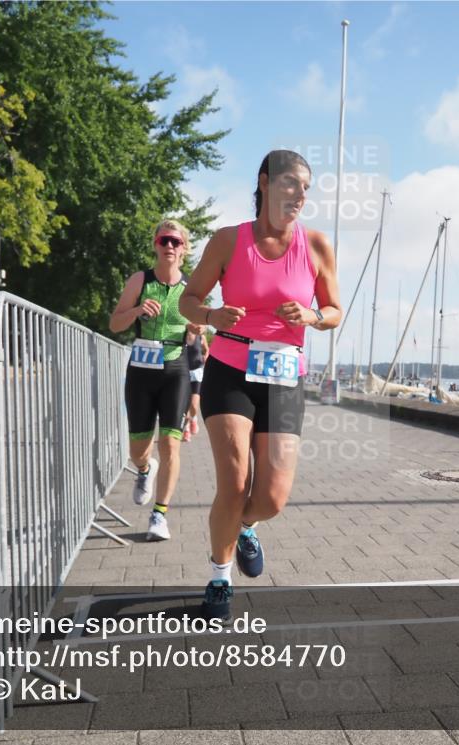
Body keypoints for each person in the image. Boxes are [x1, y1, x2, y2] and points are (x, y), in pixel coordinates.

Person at [180, 150, 341, 619]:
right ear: (265, 183)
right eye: (291, 183)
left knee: (271, 497)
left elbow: (335, 311)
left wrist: (312, 316)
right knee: (234, 484)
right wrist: (211, 315)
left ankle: (245, 526)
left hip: (283, 376)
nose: (300, 195)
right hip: (229, 369)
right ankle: (219, 577)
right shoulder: (228, 240)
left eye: (306, 188)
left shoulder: (316, 245)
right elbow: (189, 301)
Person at [109, 219, 200, 542]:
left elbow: (197, 345)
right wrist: (135, 311)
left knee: (171, 443)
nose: (170, 246)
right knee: (138, 450)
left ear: (184, 248)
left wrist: (196, 392)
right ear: (155, 245)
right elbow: (115, 324)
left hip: (176, 370)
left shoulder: (192, 287)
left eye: (176, 242)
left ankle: (159, 515)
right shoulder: (140, 280)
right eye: (164, 241)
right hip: (141, 370)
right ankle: (145, 469)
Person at [182, 329, 208, 442]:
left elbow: (206, 350)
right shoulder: (181, 335)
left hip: (197, 372)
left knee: (194, 404)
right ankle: (186, 430)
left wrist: (205, 356)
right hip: (183, 372)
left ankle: (194, 418)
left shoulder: (200, 336)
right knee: (185, 405)